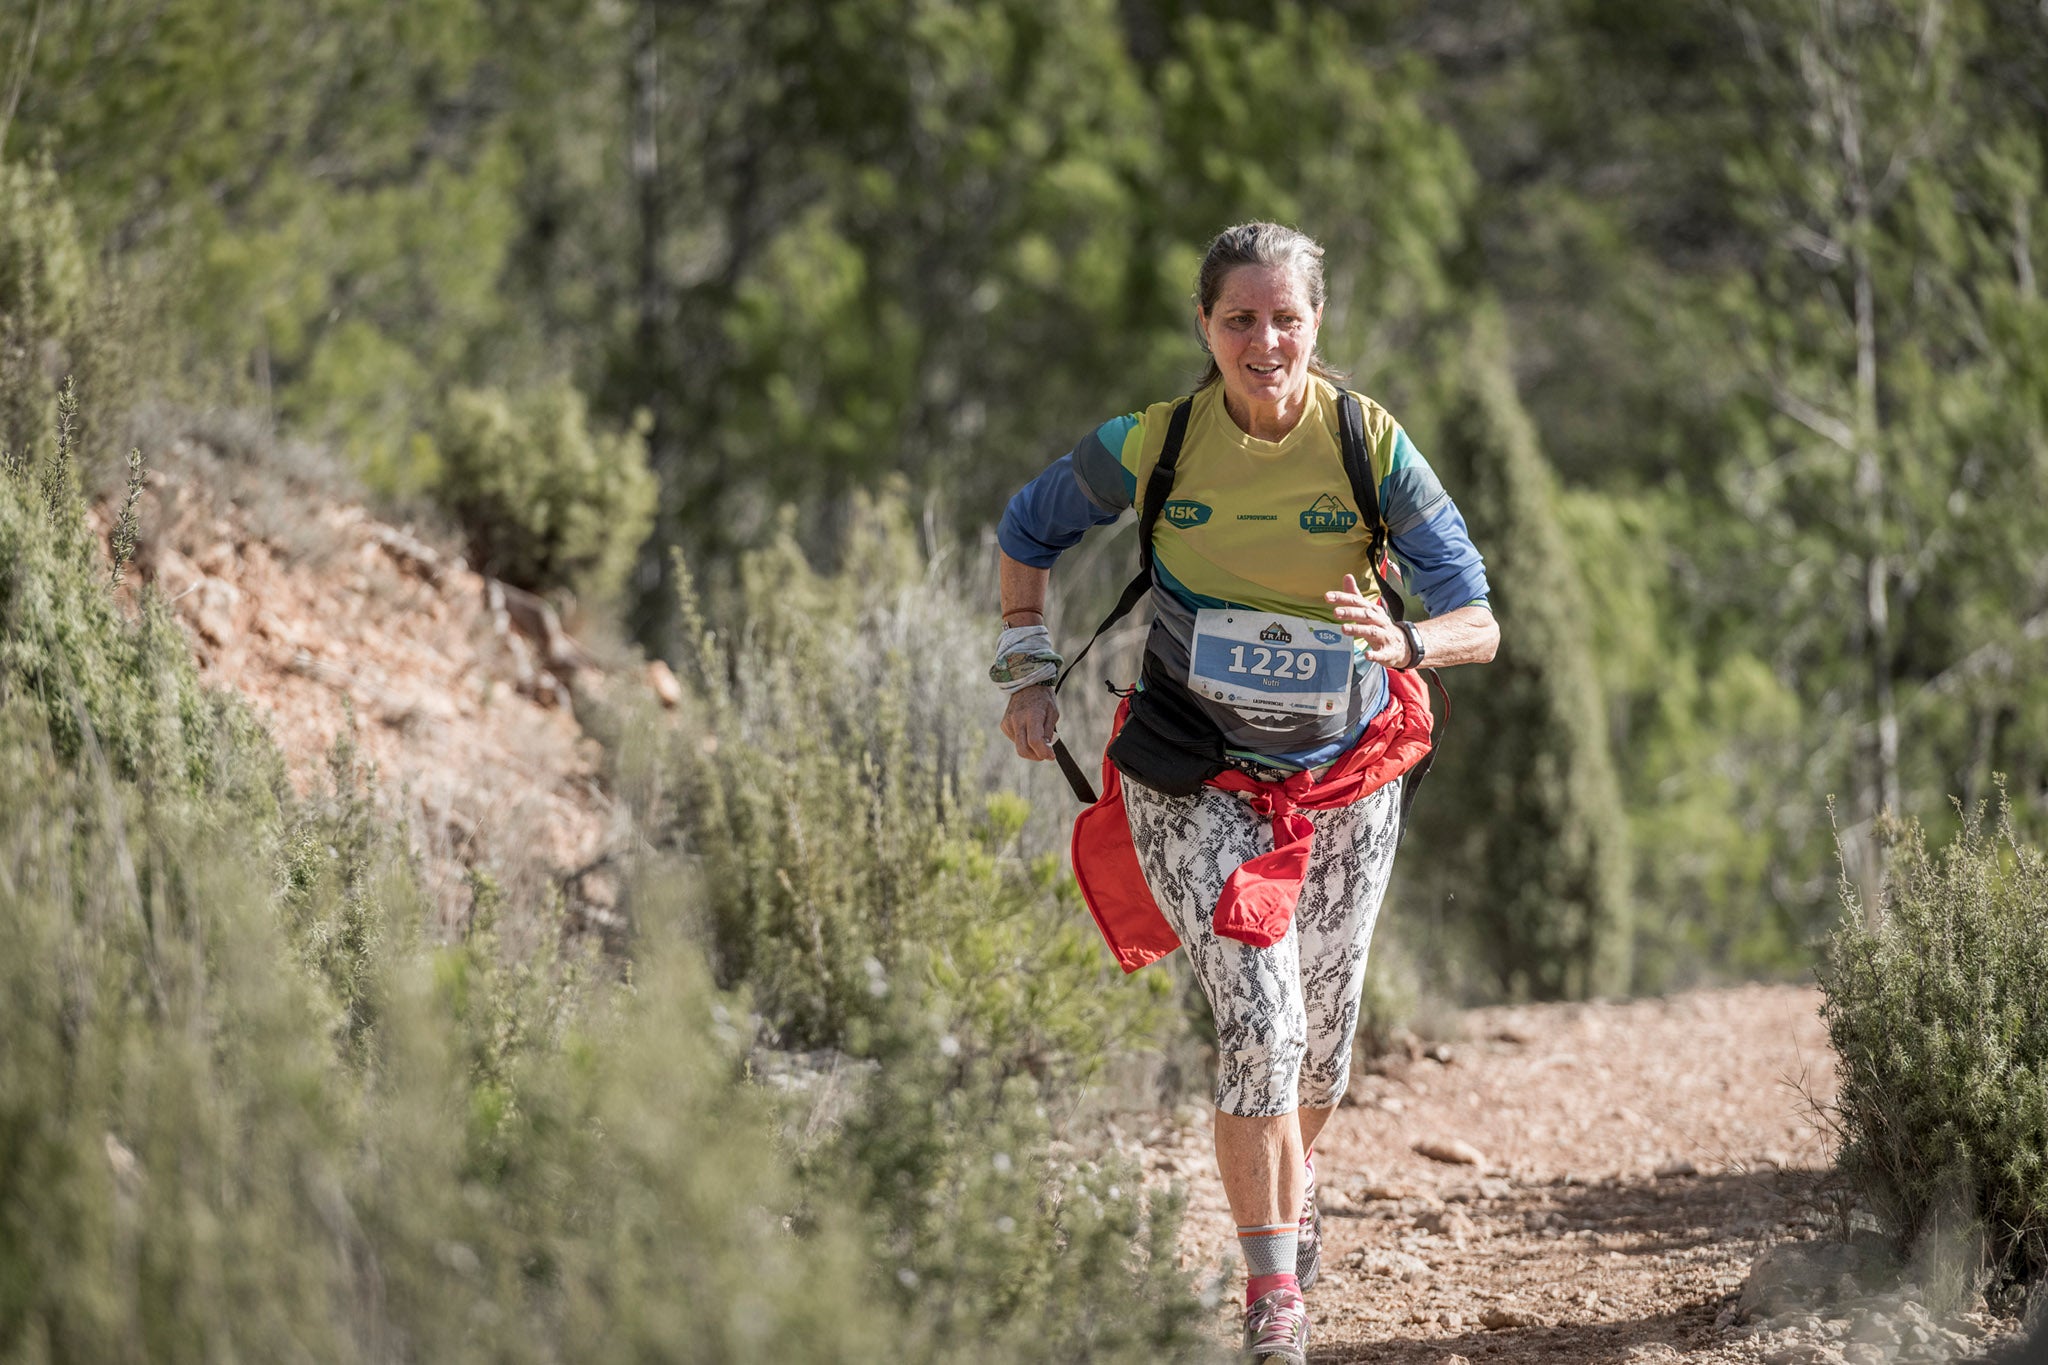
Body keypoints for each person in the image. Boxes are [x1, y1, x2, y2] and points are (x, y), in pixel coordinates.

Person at [989, 222, 1498, 1363]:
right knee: (1259, 1024)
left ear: (1316, 325)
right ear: (1204, 325)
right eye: (1238, 319)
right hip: (1194, 769)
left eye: (1284, 318)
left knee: (1321, 1041)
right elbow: (1026, 530)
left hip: (1344, 776)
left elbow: (1480, 619)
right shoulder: (1152, 445)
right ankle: (1275, 1298)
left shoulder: (1368, 446)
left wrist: (1407, 640)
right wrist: (1027, 665)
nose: (1262, 342)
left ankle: (1294, 1176)